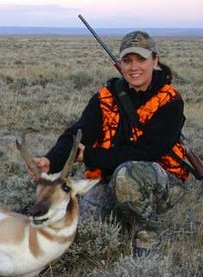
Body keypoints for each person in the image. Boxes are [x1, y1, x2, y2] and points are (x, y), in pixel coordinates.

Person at [31, 31, 190, 258]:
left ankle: (147, 236)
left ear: (155, 61)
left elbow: (147, 152)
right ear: (119, 65)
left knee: (128, 174)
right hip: (111, 175)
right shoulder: (106, 97)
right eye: (127, 61)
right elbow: (79, 132)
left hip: (160, 181)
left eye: (141, 60)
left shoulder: (170, 100)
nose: (134, 67)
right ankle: (125, 214)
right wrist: (50, 160)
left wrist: (89, 157)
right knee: (85, 225)